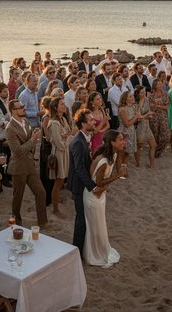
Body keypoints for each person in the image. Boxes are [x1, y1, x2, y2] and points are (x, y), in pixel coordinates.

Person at [83, 130, 127, 268]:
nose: (123, 141)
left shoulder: (112, 155)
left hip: (100, 195)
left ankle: (99, 250)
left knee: (99, 225)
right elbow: (99, 182)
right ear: (112, 142)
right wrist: (118, 175)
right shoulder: (103, 161)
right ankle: (94, 255)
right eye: (120, 139)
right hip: (93, 198)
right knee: (95, 227)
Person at [5, 99, 47, 226]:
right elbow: (17, 151)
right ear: (13, 110)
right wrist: (33, 140)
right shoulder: (10, 129)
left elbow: (29, 144)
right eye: (20, 107)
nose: (23, 108)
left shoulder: (26, 121)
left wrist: (32, 138)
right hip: (18, 167)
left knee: (41, 192)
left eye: (23, 106)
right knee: (18, 198)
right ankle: (17, 222)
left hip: (30, 165)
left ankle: (42, 221)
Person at [66, 109, 98, 256]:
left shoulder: (84, 137)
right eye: (91, 120)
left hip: (82, 183)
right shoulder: (78, 142)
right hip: (79, 186)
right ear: (83, 124)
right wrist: (92, 186)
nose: (94, 121)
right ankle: (76, 251)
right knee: (81, 219)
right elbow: (79, 168)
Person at [47, 97, 72, 219]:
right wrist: (67, 137)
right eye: (62, 104)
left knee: (61, 181)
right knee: (58, 182)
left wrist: (66, 136)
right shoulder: (54, 123)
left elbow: (69, 132)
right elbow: (60, 143)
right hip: (59, 154)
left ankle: (57, 205)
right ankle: (55, 209)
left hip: (65, 152)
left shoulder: (62, 119)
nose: (64, 106)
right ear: (56, 108)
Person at [118, 91, 142, 166]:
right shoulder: (122, 109)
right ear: (125, 99)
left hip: (131, 132)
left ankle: (124, 167)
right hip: (124, 133)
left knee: (127, 152)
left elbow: (136, 119)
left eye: (132, 96)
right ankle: (120, 170)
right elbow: (127, 124)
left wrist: (139, 116)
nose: (133, 98)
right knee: (121, 153)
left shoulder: (132, 107)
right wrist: (136, 116)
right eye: (130, 96)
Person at [135, 86, 156, 168]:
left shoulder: (147, 100)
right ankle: (137, 163)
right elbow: (139, 118)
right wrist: (147, 115)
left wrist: (153, 108)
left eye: (144, 92)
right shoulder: (135, 104)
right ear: (138, 94)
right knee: (139, 146)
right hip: (139, 127)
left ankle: (152, 164)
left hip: (147, 125)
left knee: (153, 145)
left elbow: (149, 111)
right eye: (142, 93)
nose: (144, 94)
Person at [149, 76, 170, 157]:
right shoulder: (151, 96)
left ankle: (159, 150)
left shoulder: (165, 94)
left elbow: (167, 107)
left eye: (161, 84)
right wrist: (158, 106)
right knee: (155, 136)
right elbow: (151, 108)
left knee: (166, 136)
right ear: (155, 85)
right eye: (159, 84)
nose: (161, 85)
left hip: (163, 117)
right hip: (154, 118)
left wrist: (157, 106)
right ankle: (155, 152)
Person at [87, 92, 110, 156]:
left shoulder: (101, 110)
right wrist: (103, 121)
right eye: (97, 99)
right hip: (94, 139)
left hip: (103, 137)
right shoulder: (90, 114)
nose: (100, 100)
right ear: (92, 102)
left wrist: (101, 131)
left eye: (100, 98)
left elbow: (108, 125)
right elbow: (94, 131)